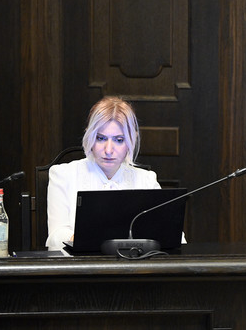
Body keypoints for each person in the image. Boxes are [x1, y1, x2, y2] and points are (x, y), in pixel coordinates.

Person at [46, 96, 161, 250]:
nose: (108, 150)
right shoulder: (62, 175)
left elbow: (174, 235)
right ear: (90, 137)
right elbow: (55, 237)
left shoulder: (147, 180)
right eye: (101, 138)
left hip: (132, 263)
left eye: (119, 140)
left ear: (131, 141)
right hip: (78, 262)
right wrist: (88, 240)